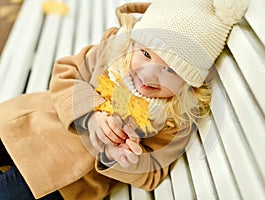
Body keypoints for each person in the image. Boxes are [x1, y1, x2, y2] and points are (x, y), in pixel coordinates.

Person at [0, 0, 247, 199]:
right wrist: (90, 113)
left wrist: (120, 157)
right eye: (146, 53)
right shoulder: (112, 53)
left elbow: (152, 173)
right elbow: (67, 72)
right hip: (33, 123)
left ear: (190, 81)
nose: (149, 75)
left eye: (171, 70)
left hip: (66, 178)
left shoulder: (176, 118)